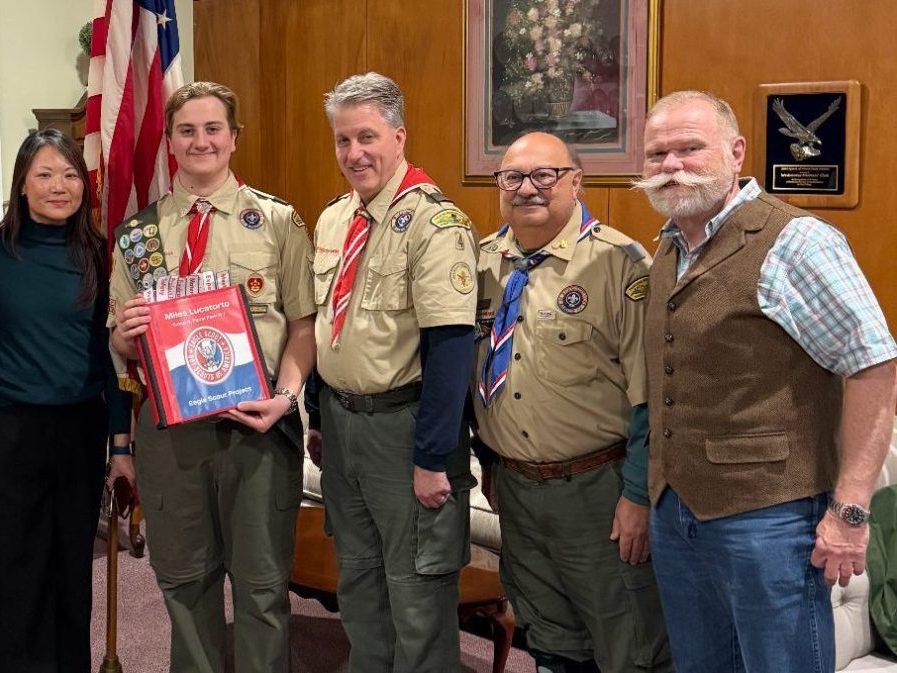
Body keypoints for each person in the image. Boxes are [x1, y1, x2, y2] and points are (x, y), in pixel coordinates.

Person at [636, 90, 897, 673]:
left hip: (771, 518)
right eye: (657, 155)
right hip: (676, 509)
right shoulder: (670, 247)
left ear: (736, 152)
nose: (671, 166)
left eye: (689, 149)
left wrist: (850, 511)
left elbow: (874, 366)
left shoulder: (796, 241)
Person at [109, 81, 315, 672]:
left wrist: (286, 397)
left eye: (212, 129)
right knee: (185, 581)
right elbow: (119, 339)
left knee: (262, 585)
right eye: (186, 130)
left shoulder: (276, 222)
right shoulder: (137, 236)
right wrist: (123, 334)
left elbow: (304, 326)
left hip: (257, 427)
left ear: (233, 137)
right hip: (170, 433)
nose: (200, 141)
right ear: (170, 141)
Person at [470, 131, 671, 672]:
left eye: (544, 175)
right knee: (550, 639)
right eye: (512, 177)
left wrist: (637, 496)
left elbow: (652, 395)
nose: (527, 189)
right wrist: (490, 463)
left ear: (576, 181)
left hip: (597, 492)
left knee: (628, 643)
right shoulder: (482, 263)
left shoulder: (621, 265)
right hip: (515, 488)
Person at [306, 71, 477, 673]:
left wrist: (431, 457)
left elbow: (452, 348)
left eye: (368, 138)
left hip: (404, 431)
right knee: (358, 582)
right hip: (343, 425)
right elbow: (326, 324)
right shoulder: (334, 219)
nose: (354, 154)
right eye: (343, 140)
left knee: (416, 593)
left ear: (399, 136)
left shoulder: (435, 223)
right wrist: (317, 414)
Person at [0, 129, 132, 673]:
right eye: (44, 174)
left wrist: (121, 442)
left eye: (70, 175)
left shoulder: (100, 254)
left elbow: (114, 358)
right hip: (7, 433)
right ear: (21, 184)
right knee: (12, 576)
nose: (59, 186)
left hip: (79, 432)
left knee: (68, 572)